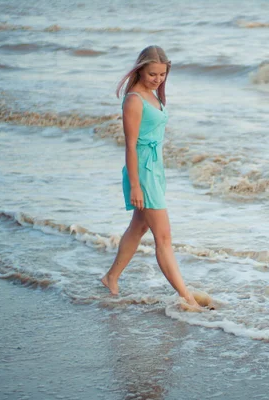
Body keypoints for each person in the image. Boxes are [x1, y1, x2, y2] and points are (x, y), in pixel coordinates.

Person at [101, 45, 203, 311]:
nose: (157, 79)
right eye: (152, 74)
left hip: (155, 168)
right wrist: (135, 184)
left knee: (139, 227)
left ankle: (111, 277)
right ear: (140, 70)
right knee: (164, 237)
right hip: (143, 171)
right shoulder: (135, 99)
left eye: (162, 74)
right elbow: (131, 145)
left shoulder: (153, 95)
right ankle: (187, 297)